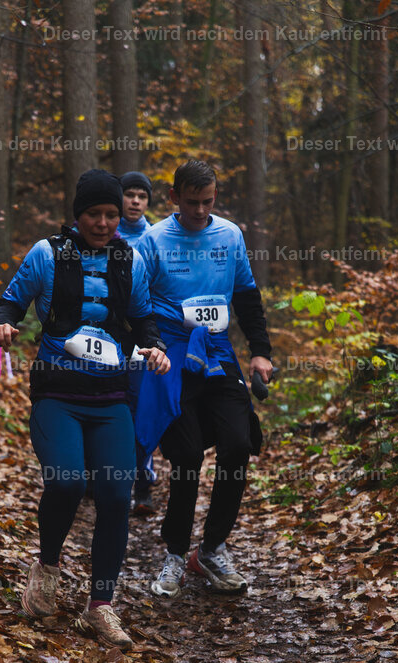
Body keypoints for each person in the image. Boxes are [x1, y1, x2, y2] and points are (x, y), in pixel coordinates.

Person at [0, 169, 170, 649]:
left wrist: (152, 347)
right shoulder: (47, 254)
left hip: (110, 396)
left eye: (112, 214)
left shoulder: (128, 259)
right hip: (57, 394)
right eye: (96, 213)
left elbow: (142, 317)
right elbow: (9, 305)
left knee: (115, 496)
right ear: (79, 214)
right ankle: (47, 568)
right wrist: (3, 327)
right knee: (67, 482)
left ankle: (101, 607)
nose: (105, 222)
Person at [135, 159, 273, 597]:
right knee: (188, 456)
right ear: (174, 197)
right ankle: (175, 554)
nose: (199, 211)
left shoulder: (229, 235)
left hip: (216, 352)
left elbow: (248, 296)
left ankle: (211, 549)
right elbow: (135, 305)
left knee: (238, 443)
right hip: (171, 357)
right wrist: (149, 347)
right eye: (191, 202)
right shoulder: (154, 240)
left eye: (207, 202)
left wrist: (260, 353)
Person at [117, 171, 155, 515]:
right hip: (103, 336)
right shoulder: (101, 229)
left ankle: (143, 483)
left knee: (139, 405)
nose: (135, 201)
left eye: (142, 196)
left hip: (141, 336)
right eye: (130, 194)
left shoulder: (155, 237)